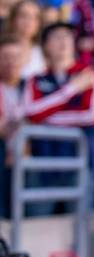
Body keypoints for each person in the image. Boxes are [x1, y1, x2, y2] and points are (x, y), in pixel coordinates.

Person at [22, 21, 94, 211]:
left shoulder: (89, 74)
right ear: (45, 45)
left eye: (68, 36)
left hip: (81, 159)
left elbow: (90, 116)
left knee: (80, 226)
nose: (63, 41)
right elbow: (32, 112)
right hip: (43, 161)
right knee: (38, 221)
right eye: (57, 37)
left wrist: (46, 118)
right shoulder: (36, 79)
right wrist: (71, 89)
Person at [0, 34, 25, 218]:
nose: (11, 62)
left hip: (26, 162)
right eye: (5, 57)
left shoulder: (32, 86)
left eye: (15, 57)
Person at [4, 0, 45, 79]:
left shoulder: (44, 51)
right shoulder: (2, 48)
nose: (29, 21)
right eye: (23, 16)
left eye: (34, 17)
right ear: (13, 19)